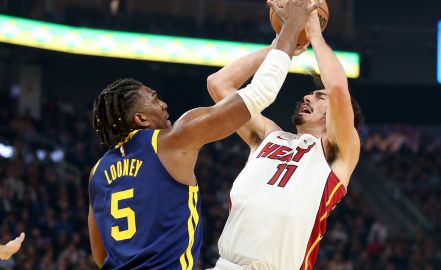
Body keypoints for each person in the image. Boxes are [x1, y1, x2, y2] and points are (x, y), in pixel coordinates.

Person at [87, 0, 318, 269]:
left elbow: (100, 254)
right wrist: (291, 27)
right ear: (141, 119)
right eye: (154, 99)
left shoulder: (98, 170)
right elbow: (260, 93)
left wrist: (280, 44)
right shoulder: (171, 140)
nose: (163, 104)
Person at [206, 3, 364, 270]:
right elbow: (219, 84)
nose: (307, 96)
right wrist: (282, 43)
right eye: (311, 93)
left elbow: (337, 87)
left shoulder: (337, 154)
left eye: (318, 96)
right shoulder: (267, 135)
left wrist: (314, 34)